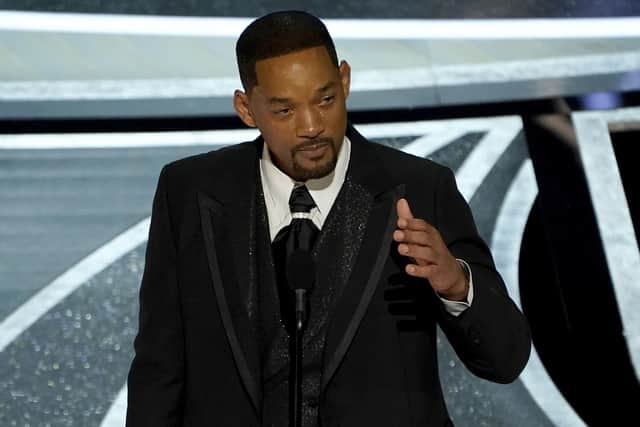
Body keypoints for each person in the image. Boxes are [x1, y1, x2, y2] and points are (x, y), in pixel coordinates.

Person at [126, 10, 531, 427]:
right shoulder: (190, 192)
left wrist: (457, 283)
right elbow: (159, 369)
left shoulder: (420, 189)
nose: (312, 126)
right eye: (284, 111)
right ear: (247, 108)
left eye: (326, 99)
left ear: (345, 81)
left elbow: (505, 359)